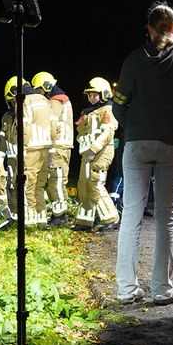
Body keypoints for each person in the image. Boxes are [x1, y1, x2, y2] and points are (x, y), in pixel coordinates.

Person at [112, 2, 173, 306]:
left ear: (149, 28)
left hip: (136, 144)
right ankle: (162, 290)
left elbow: (118, 105)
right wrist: (172, 126)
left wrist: (134, 128)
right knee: (166, 217)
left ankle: (127, 289)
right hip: (171, 145)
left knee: (131, 215)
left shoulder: (133, 61)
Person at [2, 76, 54, 226]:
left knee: (26, 187)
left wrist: (22, 149)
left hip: (30, 149)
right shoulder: (44, 100)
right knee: (39, 186)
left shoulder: (23, 102)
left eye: (12, 100)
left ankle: (29, 223)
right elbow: (52, 126)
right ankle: (42, 220)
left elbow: (25, 128)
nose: (13, 103)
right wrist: (51, 149)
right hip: (45, 149)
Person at [74, 77, 120, 231]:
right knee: (83, 183)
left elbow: (107, 133)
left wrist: (93, 149)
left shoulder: (108, 110)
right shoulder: (88, 112)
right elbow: (80, 132)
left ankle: (111, 218)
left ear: (104, 94)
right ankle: (85, 220)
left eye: (95, 94)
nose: (92, 97)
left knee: (95, 183)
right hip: (88, 153)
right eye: (90, 95)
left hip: (101, 152)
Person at [33, 71, 74, 226]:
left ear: (47, 86)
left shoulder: (56, 101)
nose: (39, 93)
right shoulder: (60, 100)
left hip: (58, 146)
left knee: (56, 181)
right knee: (54, 180)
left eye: (39, 90)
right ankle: (58, 213)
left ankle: (61, 215)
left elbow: (51, 124)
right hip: (59, 146)